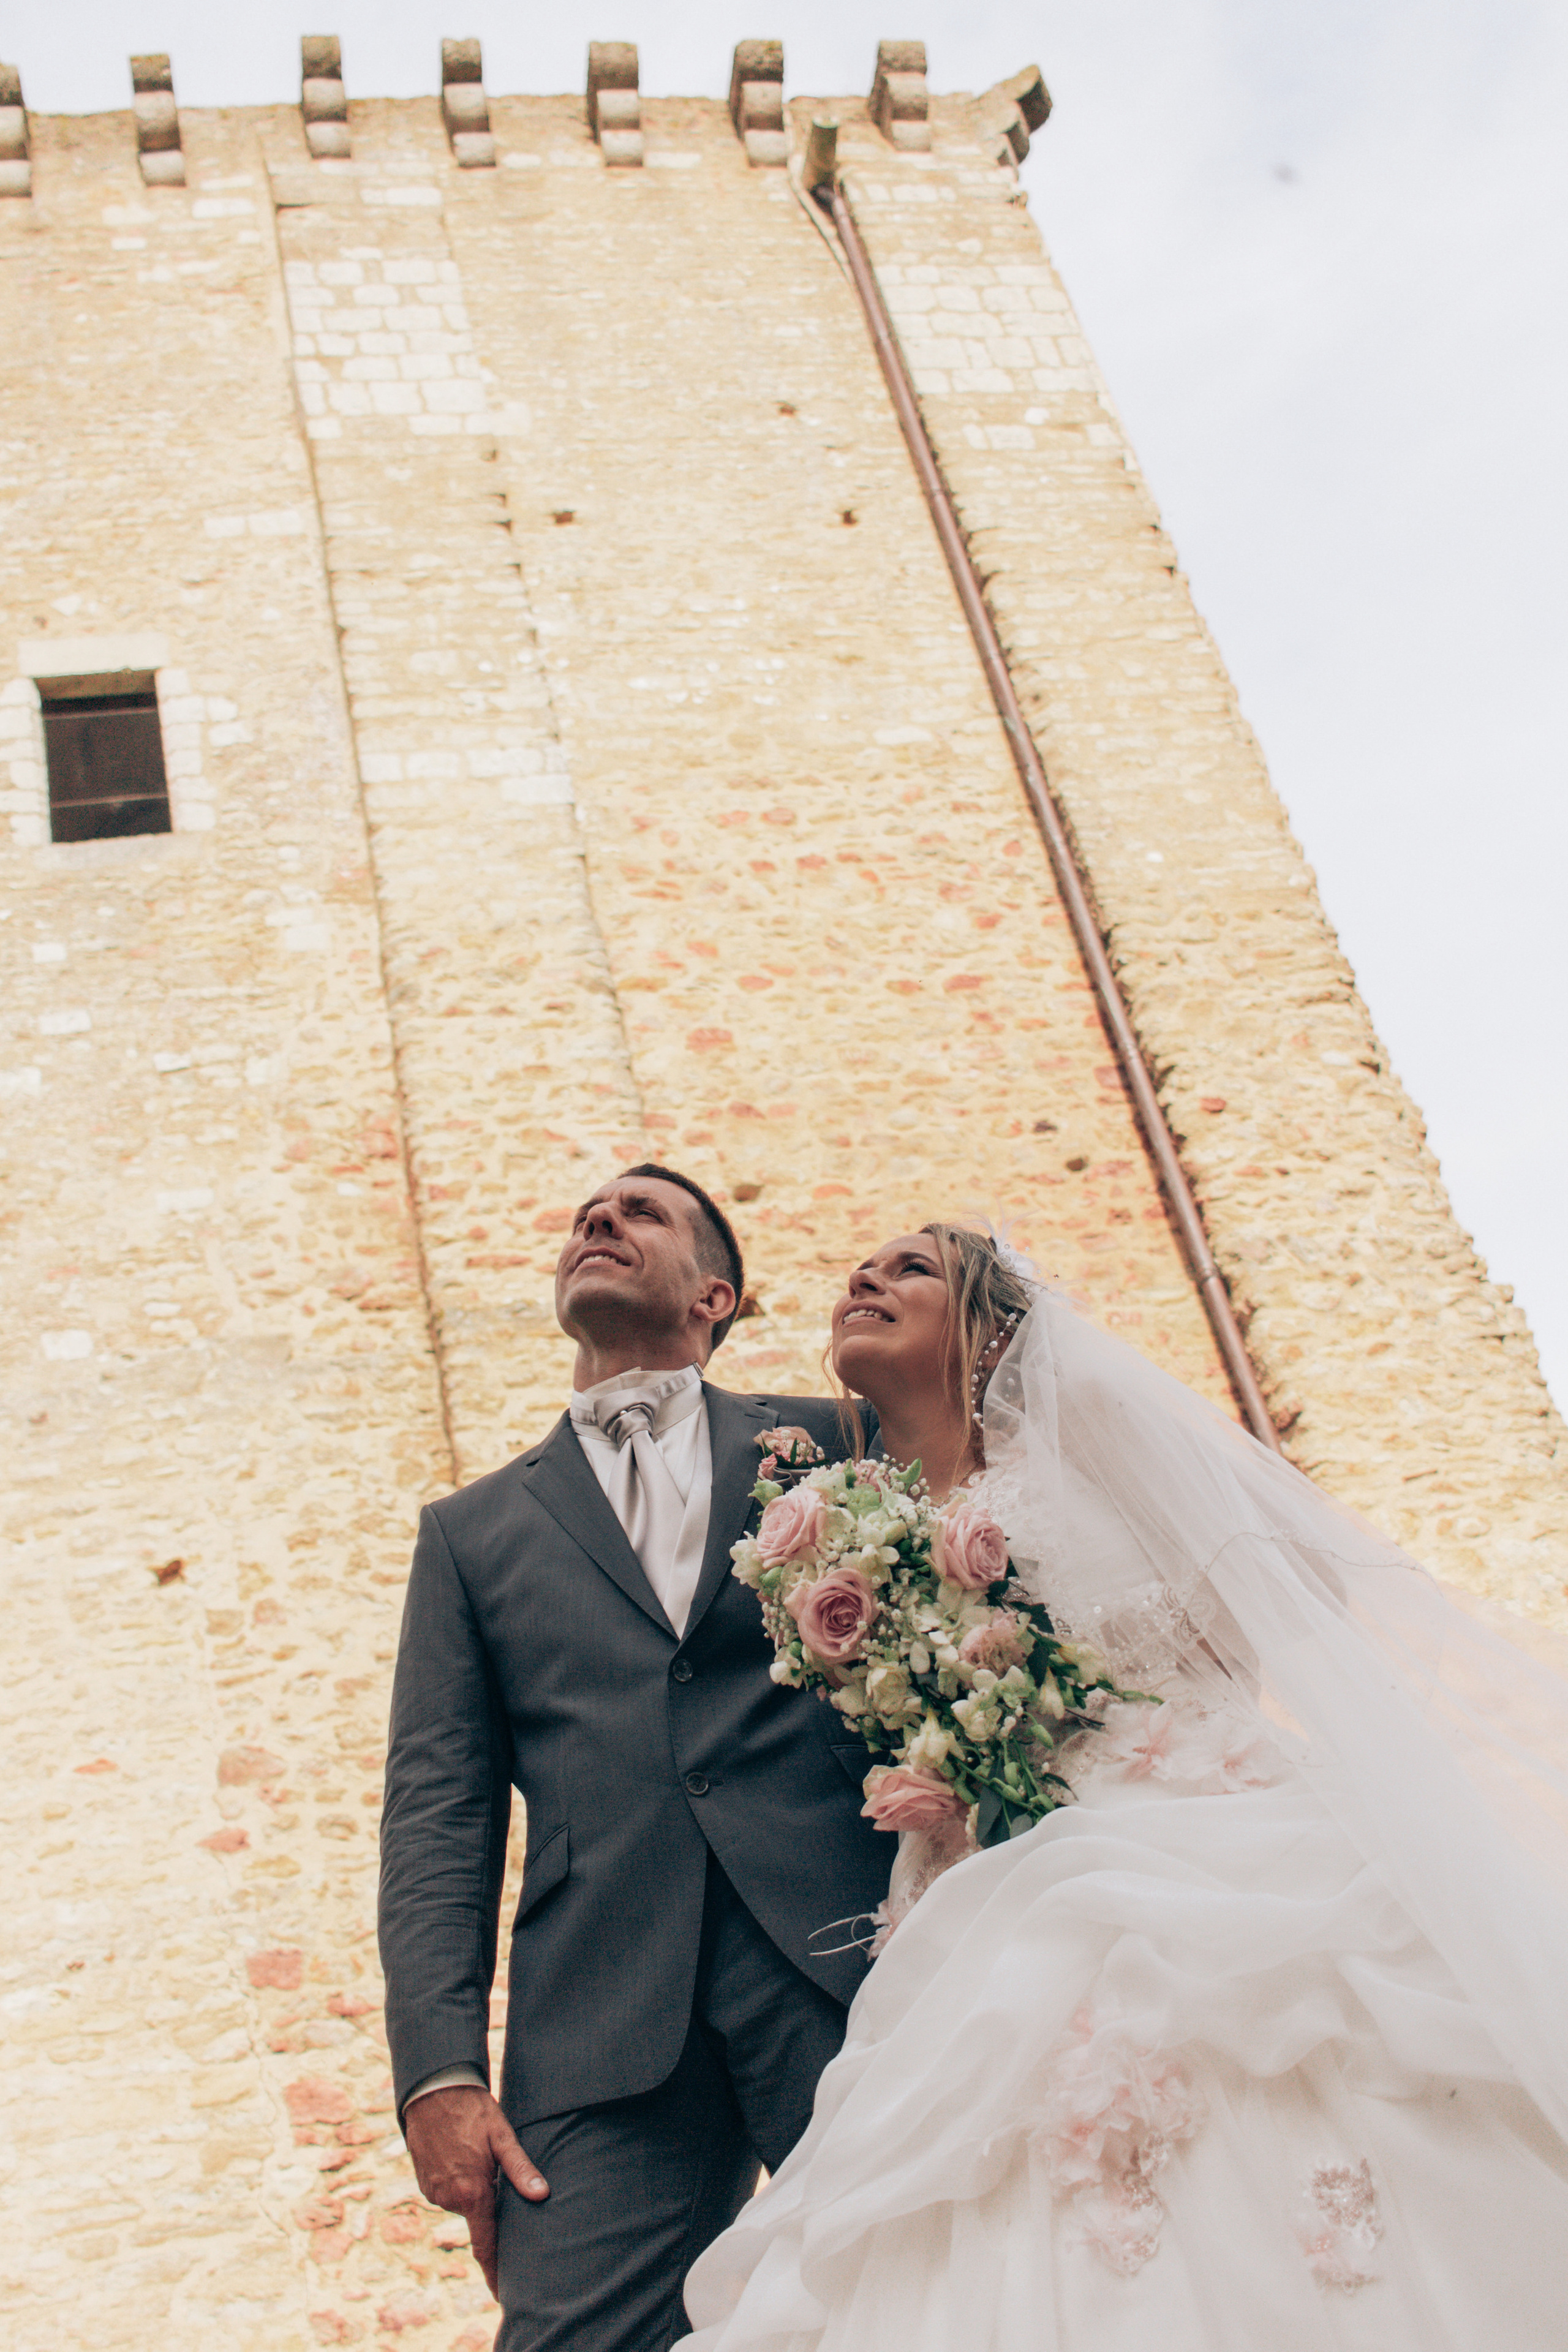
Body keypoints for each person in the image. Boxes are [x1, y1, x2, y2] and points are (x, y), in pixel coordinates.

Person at [683, 1224, 1568, 2351]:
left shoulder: (1082, 1436)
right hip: (987, 1888)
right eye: (862, 1267)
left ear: (990, 1328)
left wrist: (1100, 1693)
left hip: (1185, 1827)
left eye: (912, 1269)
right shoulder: (853, 1518)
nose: (865, 1277)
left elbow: (1281, 1596)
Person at [378, 1165, 892, 2352]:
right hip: (596, 2029)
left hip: (845, 1972)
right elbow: (437, 1820)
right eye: (582, 1217)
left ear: (714, 1297)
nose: (598, 1221)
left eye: (639, 1214)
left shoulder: (831, 1445)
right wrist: (438, 2071)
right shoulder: (470, 1538)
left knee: (924, 2303)